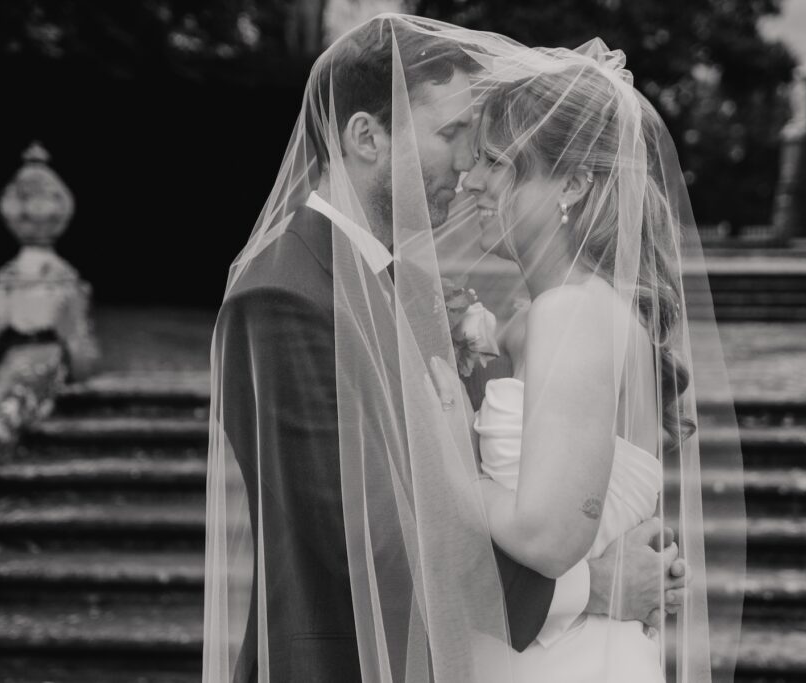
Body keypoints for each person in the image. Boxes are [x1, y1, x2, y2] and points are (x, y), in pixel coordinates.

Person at [203, 16, 726, 683]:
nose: (468, 165)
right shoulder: (282, 296)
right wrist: (594, 587)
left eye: (483, 150)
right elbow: (366, 541)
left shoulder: (415, 285)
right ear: (366, 137)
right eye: (452, 134)